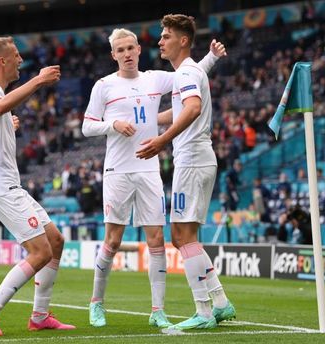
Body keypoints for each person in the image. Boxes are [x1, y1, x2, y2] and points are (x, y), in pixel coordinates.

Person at [82, 27, 226, 328]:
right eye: (120, 50)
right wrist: (113, 125)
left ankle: (157, 310)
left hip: (149, 170)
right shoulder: (103, 86)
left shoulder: (154, 78)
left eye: (130, 48)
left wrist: (211, 57)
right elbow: (87, 126)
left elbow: (192, 75)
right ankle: (96, 302)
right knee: (113, 239)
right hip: (118, 171)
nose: (126, 54)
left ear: (138, 49)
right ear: (113, 55)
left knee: (157, 240)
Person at [0, 36, 74, 337]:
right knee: (39, 252)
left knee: (55, 242)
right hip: (1, 186)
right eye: (15, 56)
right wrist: (38, 81)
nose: (20, 61)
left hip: (5, 184)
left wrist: (6, 126)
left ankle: (40, 316)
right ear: (2, 61)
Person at [136, 14, 236, 330]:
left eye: (166, 36)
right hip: (197, 159)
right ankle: (220, 302)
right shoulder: (188, 72)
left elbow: (191, 109)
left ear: (182, 40)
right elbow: (180, 108)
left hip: (192, 161)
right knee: (184, 235)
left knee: (182, 236)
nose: (160, 41)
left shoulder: (186, 73)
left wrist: (161, 141)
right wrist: (147, 123)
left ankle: (204, 312)